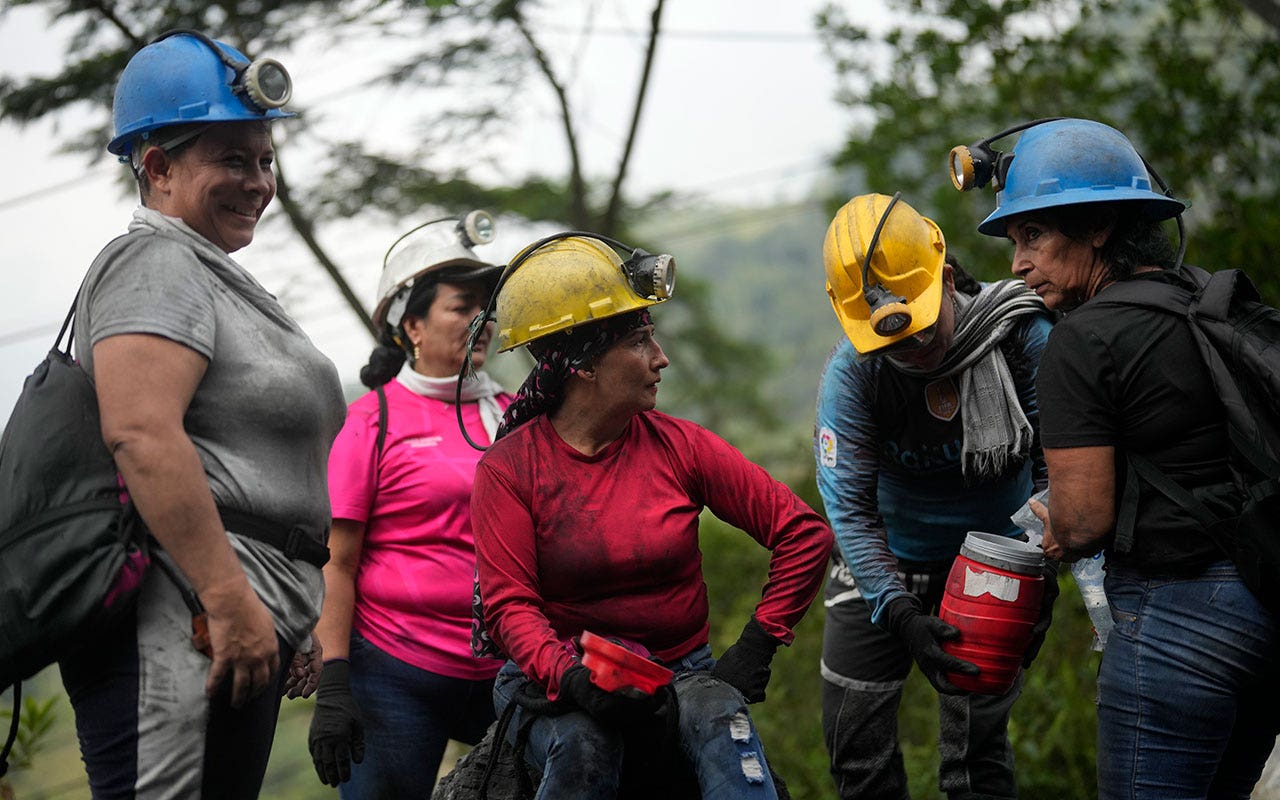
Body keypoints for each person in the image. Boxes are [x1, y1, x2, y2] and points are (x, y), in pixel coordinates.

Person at [59, 30, 346, 798]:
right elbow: (141, 432)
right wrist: (228, 597)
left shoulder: (216, 277)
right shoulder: (153, 261)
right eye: (231, 159)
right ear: (157, 167)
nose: (257, 181)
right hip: (181, 618)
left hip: (236, 620)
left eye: (264, 159)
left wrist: (291, 606)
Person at [972, 117, 1280, 799]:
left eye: (1034, 236)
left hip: (1179, 626)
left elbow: (1083, 521)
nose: (1017, 263)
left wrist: (1051, 529)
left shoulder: (1083, 340)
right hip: (1264, 606)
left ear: (1098, 226)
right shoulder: (1200, 301)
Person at [468, 234, 834, 799]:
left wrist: (758, 644)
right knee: (585, 747)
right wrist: (569, 677)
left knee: (727, 734)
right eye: (640, 341)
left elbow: (803, 533)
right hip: (558, 678)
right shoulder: (509, 470)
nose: (659, 358)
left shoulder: (681, 446)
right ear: (584, 364)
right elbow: (508, 605)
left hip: (679, 672)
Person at [815, 193, 1055, 800]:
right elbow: (848, 504)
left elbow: (1062, 468)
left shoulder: (1021, 337)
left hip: (995, 561)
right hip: (883, 559)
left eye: (921, 327)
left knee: (976, 758)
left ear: (946, 277)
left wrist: (1041, 565)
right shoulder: (855, 375)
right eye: (892, 342)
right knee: (856, 754)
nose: (913, 349)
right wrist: (895, 608)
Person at [307, 212, 511, 795]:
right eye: (463, 306)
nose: (482, 320)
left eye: (486, 308)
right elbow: (337, 562)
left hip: (510, 668)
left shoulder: (517, 411)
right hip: (396, 675)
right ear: (413, 326)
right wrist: (335, 681)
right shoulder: (374, 419)